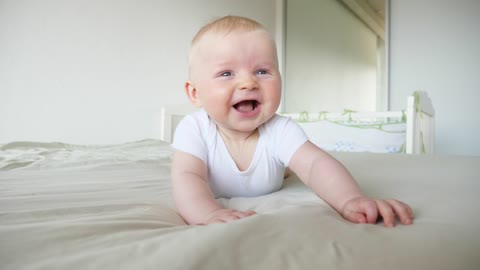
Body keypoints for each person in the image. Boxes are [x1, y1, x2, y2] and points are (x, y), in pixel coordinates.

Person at [171, 15, 414, 227]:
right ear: (195, 93)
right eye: (226, 74)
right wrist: (209, 213)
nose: (248, 83)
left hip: (282, 153)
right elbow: (187, 177)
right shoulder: (194, 129)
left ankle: (284, 167)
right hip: (208, 191)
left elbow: (316, 165)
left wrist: (351, 199)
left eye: (262, 71)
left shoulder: (280, 129)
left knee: (299, 161)